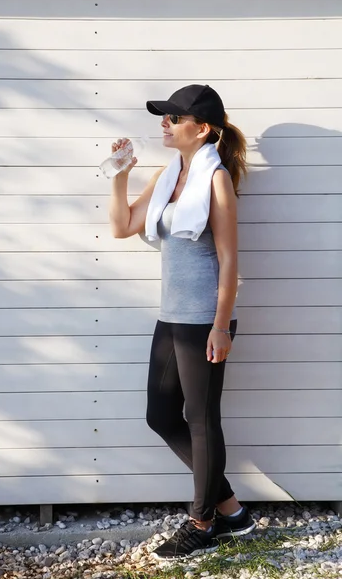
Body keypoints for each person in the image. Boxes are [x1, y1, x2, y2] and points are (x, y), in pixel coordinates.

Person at [109, 84, 256, 559]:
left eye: (174, 118)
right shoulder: (168, 174)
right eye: (165, 117)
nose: (165, 124)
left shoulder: (217, 181)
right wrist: (119, 176)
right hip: (170, 316)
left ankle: (203, 521)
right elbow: (122, 226)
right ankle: (232, 511)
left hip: (203, 321)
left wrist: (219, 325)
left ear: (203, 129)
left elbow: (230, 262)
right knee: (161, 416)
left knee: (201, 419)